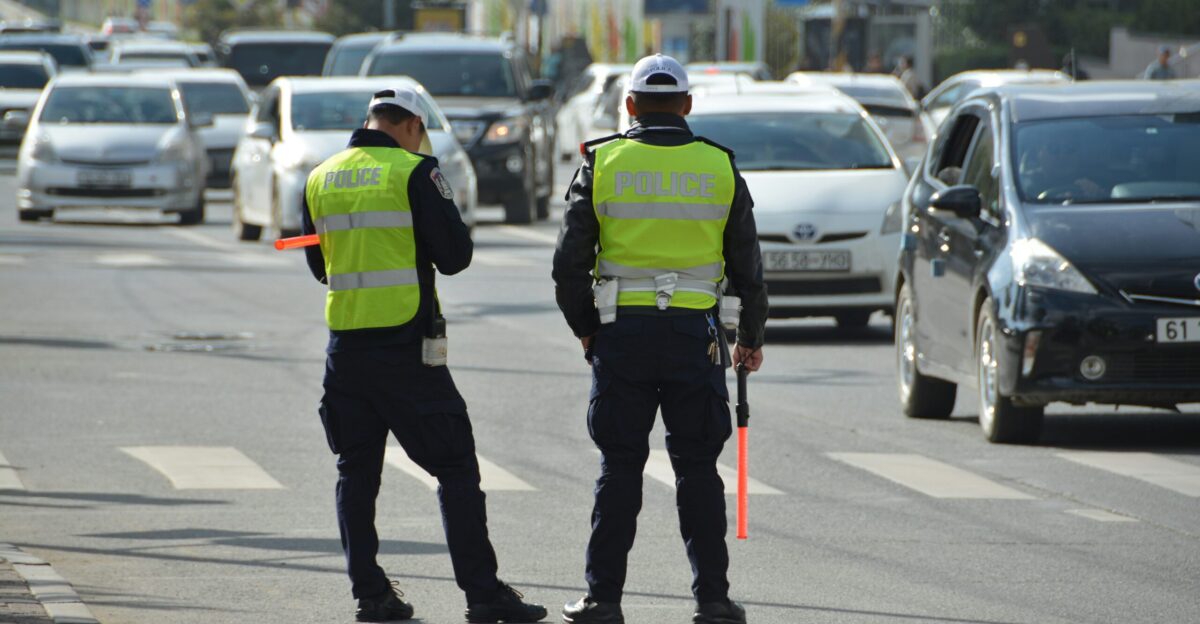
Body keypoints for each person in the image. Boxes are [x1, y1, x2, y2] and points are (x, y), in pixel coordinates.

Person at [301, 86, 548, 624]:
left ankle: (370, 595)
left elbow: (321, 267)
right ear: (412, 125)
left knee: (356, 471)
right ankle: (483, 595)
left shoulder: (321, 176)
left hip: (345, 348)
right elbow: (455, 256)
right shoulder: (415, 173)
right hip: (407, 349)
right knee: (456, 468)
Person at [552, 54, 767, 624]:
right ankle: (713, 601)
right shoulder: (719, 166)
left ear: (629, 106)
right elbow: (748, 264)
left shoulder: (604, 162)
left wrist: (587, 329)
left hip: (622, 336)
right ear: (688, 105)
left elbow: (568, 264)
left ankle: (603, 599)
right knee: (698, 469)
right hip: (695, 338)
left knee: (619, 466)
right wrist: (750, 336)